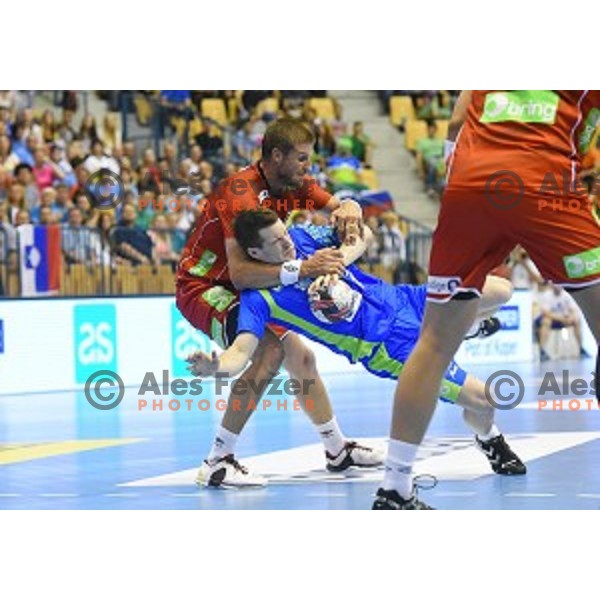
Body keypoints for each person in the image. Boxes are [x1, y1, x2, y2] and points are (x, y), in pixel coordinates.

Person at [375, 90, 600, 509]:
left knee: (434, 344)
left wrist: (457, 177)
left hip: (469, 185)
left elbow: (459, 117)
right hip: (544, 184)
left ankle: (394, 486)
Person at [186, 209, 525, 481]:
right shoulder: (260, 299)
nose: (288, 243)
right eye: (277, 242)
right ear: (256, 253)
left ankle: (461, 330)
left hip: (405, 300)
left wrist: (339, 260)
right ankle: (489, 438)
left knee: (500, 291)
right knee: (484, 401)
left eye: (285, 233)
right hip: (388, 346)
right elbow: (242, 350)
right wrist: (216, 366)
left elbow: (364, 234)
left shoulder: (303, 241)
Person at [176, 117, 377, 488]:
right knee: (270, 355)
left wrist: (350, 206)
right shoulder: (238, 192)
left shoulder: (292, 183)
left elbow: (340, 207)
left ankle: (337, 450)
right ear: (276, 155)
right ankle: (217, 461)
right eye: (301, 159)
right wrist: (304, 267)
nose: (308, 167)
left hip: (253, 282)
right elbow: (239, 274)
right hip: (208, 286)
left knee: (302, 359)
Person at [535, 283, 591, 361]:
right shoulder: (546, 295)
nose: (557, 287)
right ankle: (542, 351)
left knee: (577, 320)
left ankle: (581, 348)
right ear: (551, 285)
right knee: (546, 322)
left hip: (564, 319)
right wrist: (562, 319)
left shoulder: (567, 295)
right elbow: (546, 313)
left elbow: (574, 310)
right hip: (553, 319)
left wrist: (571, 317)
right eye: (555, 285)